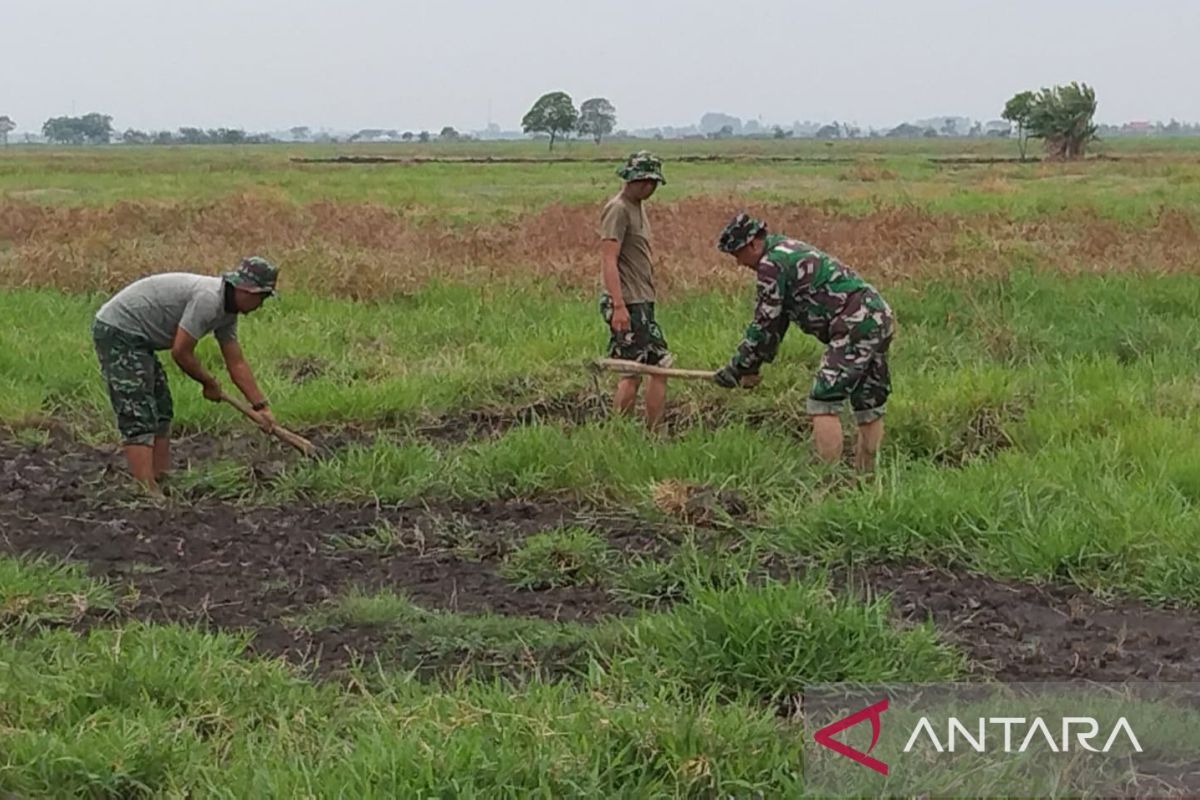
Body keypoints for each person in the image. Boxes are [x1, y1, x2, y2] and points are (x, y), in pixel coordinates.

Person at [712, 213, 895, 470]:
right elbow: (777, 324)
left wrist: (737, 367)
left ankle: (827, 478)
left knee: (823, 400)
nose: (739, 263)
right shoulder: (786, 250)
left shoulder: (771, 264)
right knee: (868, 402)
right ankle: (867, 477)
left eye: (738, 254)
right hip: (878, 315)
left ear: (753, 243)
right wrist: (749, 367)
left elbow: (765, 322)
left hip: (854, 324)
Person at [91, 256, 280, 491]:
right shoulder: (209, 300)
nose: (260, 305)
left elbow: (236, 362)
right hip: (119, 330)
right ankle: (145, 490)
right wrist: (208, 382)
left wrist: (260, 406)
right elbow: (181, 352)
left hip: (141, 339)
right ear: (246, 290)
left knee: (162, 408)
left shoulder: (227, 312)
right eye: (261, 298)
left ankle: (161, 479)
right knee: (138, 410)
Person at [598, 150, 671, 431]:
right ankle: (621, 433)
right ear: (635, 179)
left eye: (654, 183)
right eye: (647, 182)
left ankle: (653, 432)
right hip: (627, 301)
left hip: (642, 301)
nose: (651, 189)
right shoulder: (618, 209)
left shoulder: (637, 207)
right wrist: (618, 306)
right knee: (633, 371)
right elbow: (608, 258)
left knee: (657, 366)